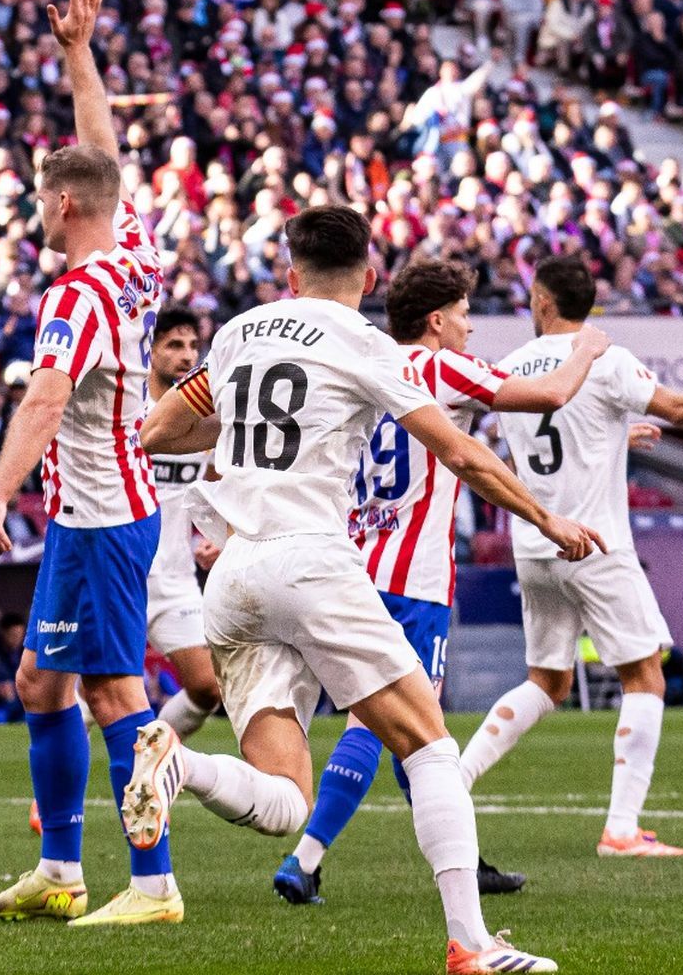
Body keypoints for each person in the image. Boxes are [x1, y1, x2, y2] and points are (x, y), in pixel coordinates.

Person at [132, 204, 607, 974]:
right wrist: (546, 517)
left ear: (290, 275)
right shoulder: (364, 341)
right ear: (371, 276)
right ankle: (471, 945)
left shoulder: (236, 333)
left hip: (234, 575)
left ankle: (180, 764)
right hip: (312, 560)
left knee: (284, 797)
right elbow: (459, 452)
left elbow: (157, 432)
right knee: (428, 743)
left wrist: (233, 439)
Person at [275, 257, 616, 903]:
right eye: (463, 315)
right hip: (415, 581)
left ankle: (466, 856)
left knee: (416, 730)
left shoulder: (365, 364)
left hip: (355, 566)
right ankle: (304, 858)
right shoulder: (432, 367)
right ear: (436, 320)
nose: (470, 328)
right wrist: (587, 348)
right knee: (378, 724)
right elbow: (545, 396)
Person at [456, 255, 683, 859]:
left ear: (542, 302)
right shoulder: (605, 358)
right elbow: (679, 409)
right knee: (644, 675)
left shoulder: (511, 368)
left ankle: (453, 781)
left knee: (547, 680)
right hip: (595, 543)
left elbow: (531, 455)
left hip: (535, 544)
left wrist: (611, 438)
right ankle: (622, 829)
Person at [0, 0, 178, 928]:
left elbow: (45, 399)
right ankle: (60, 870)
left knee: (110, 690)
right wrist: (77, 52)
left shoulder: (77, 295)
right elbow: (103, 149)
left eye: (41, 198)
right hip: (100, 509)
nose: (38, 207)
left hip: (98, 514)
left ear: (59, 209)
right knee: (39, 681)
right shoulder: (132, 253)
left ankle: (154, 884)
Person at [141, 306, 224, 739]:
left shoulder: (204, 419)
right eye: (174, 345)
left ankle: (149, 761)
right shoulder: (127, 409)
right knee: (97, 695)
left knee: (207, 687)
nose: (187, 356)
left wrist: (219, 535)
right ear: (149, 349)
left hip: (173, 578)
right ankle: (51, 796)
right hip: (122, 569)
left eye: (193, 346)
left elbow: (216, 484)